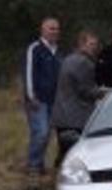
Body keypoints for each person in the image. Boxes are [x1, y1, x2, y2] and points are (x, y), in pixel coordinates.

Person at [52, 31, 106, 166]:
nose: (94, 47)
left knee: (64, 154)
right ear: (81, 44)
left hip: (62, 115)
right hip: (76, 118)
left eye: (96, 44)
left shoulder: (68, 59)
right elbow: (86, 91)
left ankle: (55, 175)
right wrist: (104, 92)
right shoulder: (84, 62)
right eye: (91, 44)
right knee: (76, 157)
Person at [22, 17, 62, 176]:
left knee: (47, 134)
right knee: (41, 132)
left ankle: (39, 165)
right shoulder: (35, 48)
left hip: (54, 100)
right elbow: (28, 73)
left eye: (57, 29)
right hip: (37, 100)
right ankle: (32, 165)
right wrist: (31, 96)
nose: (55, 31)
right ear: (43, 30)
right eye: (51, 28)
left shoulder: (58, 51)